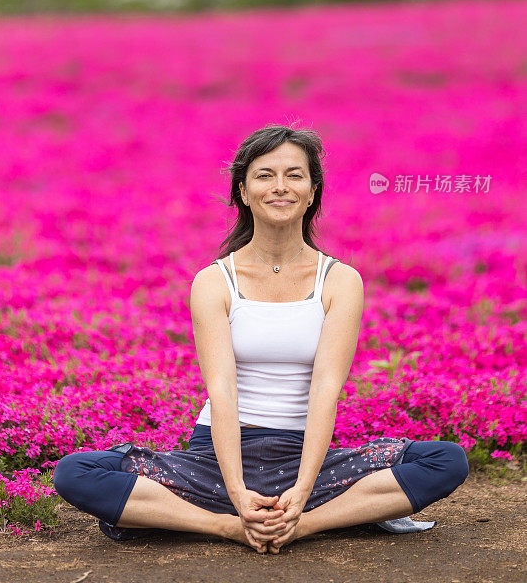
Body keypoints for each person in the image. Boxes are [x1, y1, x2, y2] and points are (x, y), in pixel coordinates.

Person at [54, 123, 469, 553]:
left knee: (446, 460)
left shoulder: (340, 281)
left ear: (312, 192)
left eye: (295, 175)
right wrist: (235, 490)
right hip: (216, 459)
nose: (280, 187)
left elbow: (326, 389)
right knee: (75, 472)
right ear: (243, 192)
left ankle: (302, 523)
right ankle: (227, 524)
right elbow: (222, 390)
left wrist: (304, 492)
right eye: (265, 175)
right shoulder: (214, 281)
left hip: (305, 455)